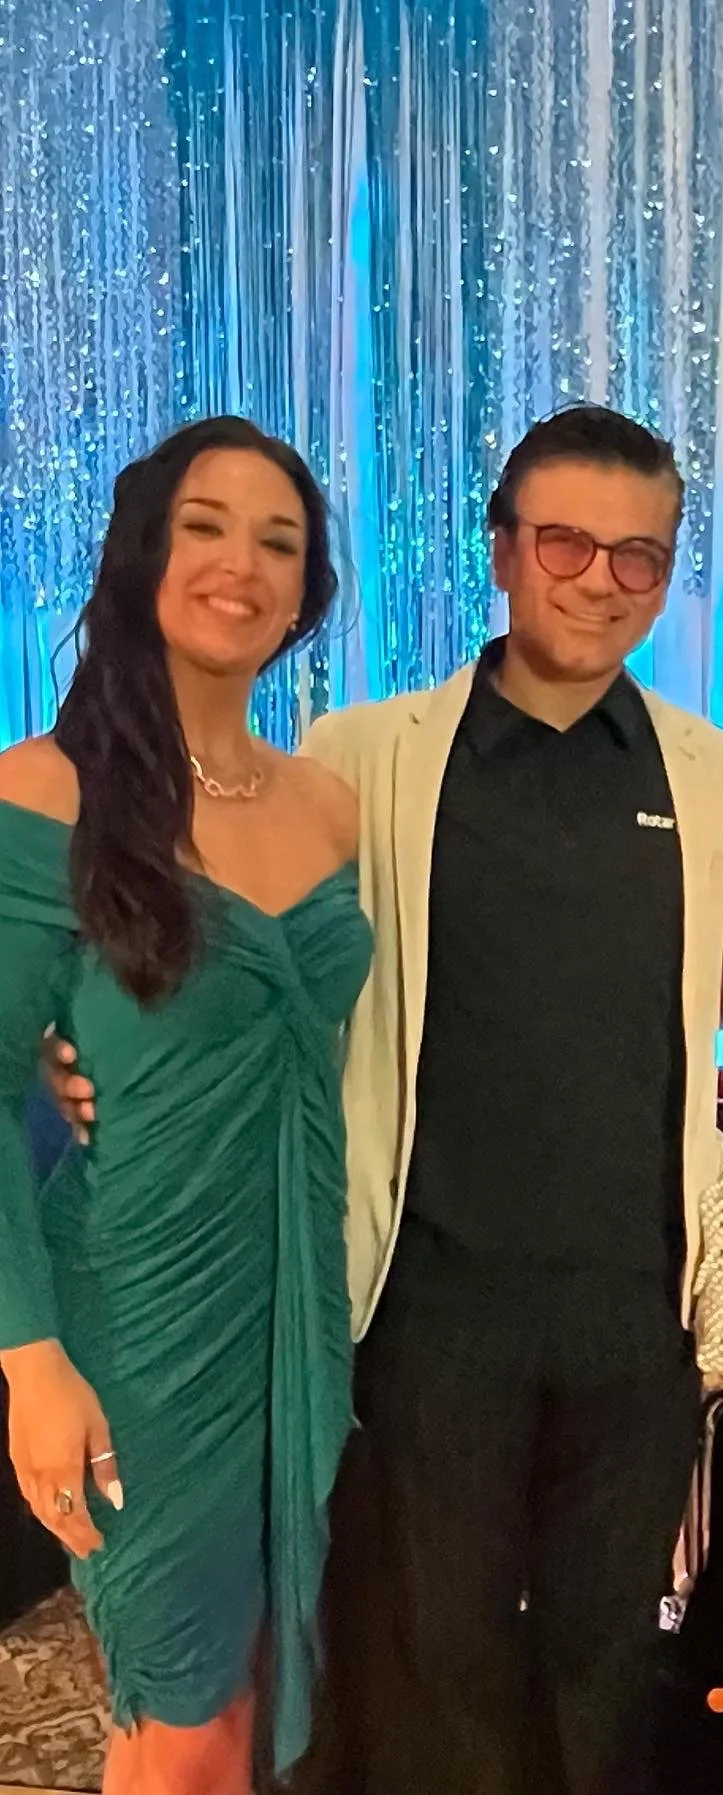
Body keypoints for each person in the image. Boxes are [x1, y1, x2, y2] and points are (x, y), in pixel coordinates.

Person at [44, 405, 723, 1793]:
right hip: (425, 1304)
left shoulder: (715, 776)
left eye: (640, 555)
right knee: (434, 1660)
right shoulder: (363, 758)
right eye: (565, 541)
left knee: (607, 1660)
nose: (600, 579)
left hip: (637, 1312)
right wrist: (69, 1069)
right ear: (502, 549)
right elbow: (218, 949)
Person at [0, 416, 371, 1795]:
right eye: (205, 525)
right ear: (142, 550)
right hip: (137, 1313)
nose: (242, 564)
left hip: (293, 1302)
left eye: (281, 541)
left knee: (257, 1681)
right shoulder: (43, 795)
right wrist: (31, 1363)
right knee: (185, 1705)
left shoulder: (327, 805)